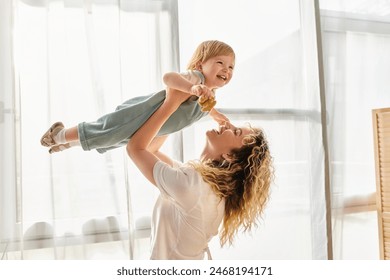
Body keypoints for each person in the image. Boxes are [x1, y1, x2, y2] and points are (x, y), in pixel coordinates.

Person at [127, 88, 274, 260]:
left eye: (235, 132)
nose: (227, 124)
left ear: (231, 156)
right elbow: (151, 150)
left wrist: (172, 103)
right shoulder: (204, 184)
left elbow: (135, 148)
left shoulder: (193, 186)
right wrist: (181, 108)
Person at [40, 40, 235, 154]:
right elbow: (168, 78)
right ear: (200, 65)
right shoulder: (196, 78)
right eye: (220, 63)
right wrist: (193, 87)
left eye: (231, 67)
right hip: (140, 114)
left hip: (152, 127)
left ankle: (69, 142)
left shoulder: (208, 95)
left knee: (114, 140)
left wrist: (220, 118)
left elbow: (207, 108)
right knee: (108, 131)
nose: (226, 70)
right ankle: (59, 134)